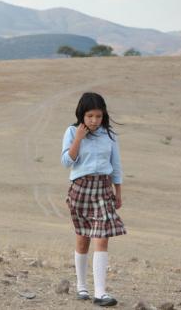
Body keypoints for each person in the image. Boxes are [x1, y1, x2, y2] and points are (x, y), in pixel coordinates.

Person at [61, 92, 126, 307]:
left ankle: (101, 293)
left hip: (103, 190)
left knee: (103, 237)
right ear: (82, 114)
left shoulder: (109, 135)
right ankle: (82, 286)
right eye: (90, 116)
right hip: (80, 189)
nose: (94, 121)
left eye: (98, 116)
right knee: (83, 238)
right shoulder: (71, 131)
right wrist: (79, 138)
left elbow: (116, 165)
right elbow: (66, 162)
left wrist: (118, 191)